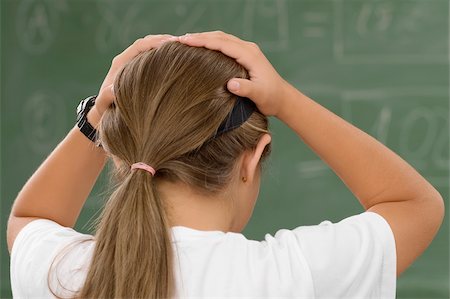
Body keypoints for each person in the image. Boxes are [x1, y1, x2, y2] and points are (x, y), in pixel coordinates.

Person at [7, 32, 444, 298]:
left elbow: (30, 218)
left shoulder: (63, 275)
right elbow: (416, 206)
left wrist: (96, 117)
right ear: (251, 160)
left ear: (120, 155)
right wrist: (286, 100)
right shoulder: (289, 279)